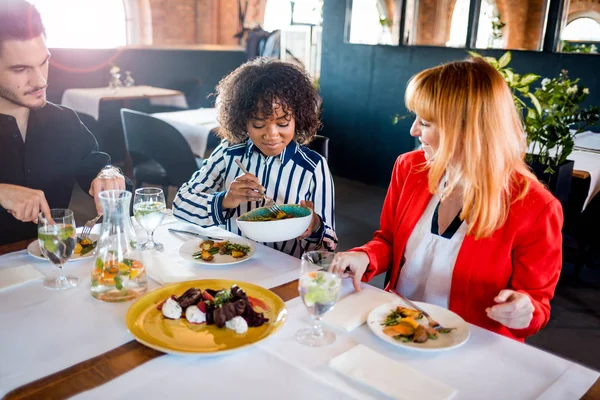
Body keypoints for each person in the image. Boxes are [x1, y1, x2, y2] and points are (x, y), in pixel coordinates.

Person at [330, 58, 563, 341]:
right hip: (396, 328)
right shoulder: (409, 168)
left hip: (468, 346)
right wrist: (365, 256)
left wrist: (524, 310)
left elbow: (537, 303)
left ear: (466, 130)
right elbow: (388, 241)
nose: (413, 131)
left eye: (425, 122)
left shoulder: (535, 207)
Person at [173, 58, 337, 258]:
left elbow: (328, 243)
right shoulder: (228, 152)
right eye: (259, 125)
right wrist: (224, 200)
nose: (271, 135)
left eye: (283, 124)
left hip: (283, 271)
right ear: (243, 121)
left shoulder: (313, 167)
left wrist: (314, 225)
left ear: (298, 119)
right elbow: (180, 205)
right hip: (229, 265)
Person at [0, 0, 126, 245]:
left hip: (54, 267)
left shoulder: (64, 121)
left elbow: (100, 165)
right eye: (20, 69)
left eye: (43, 62)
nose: (39, 81)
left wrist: (109, 174)